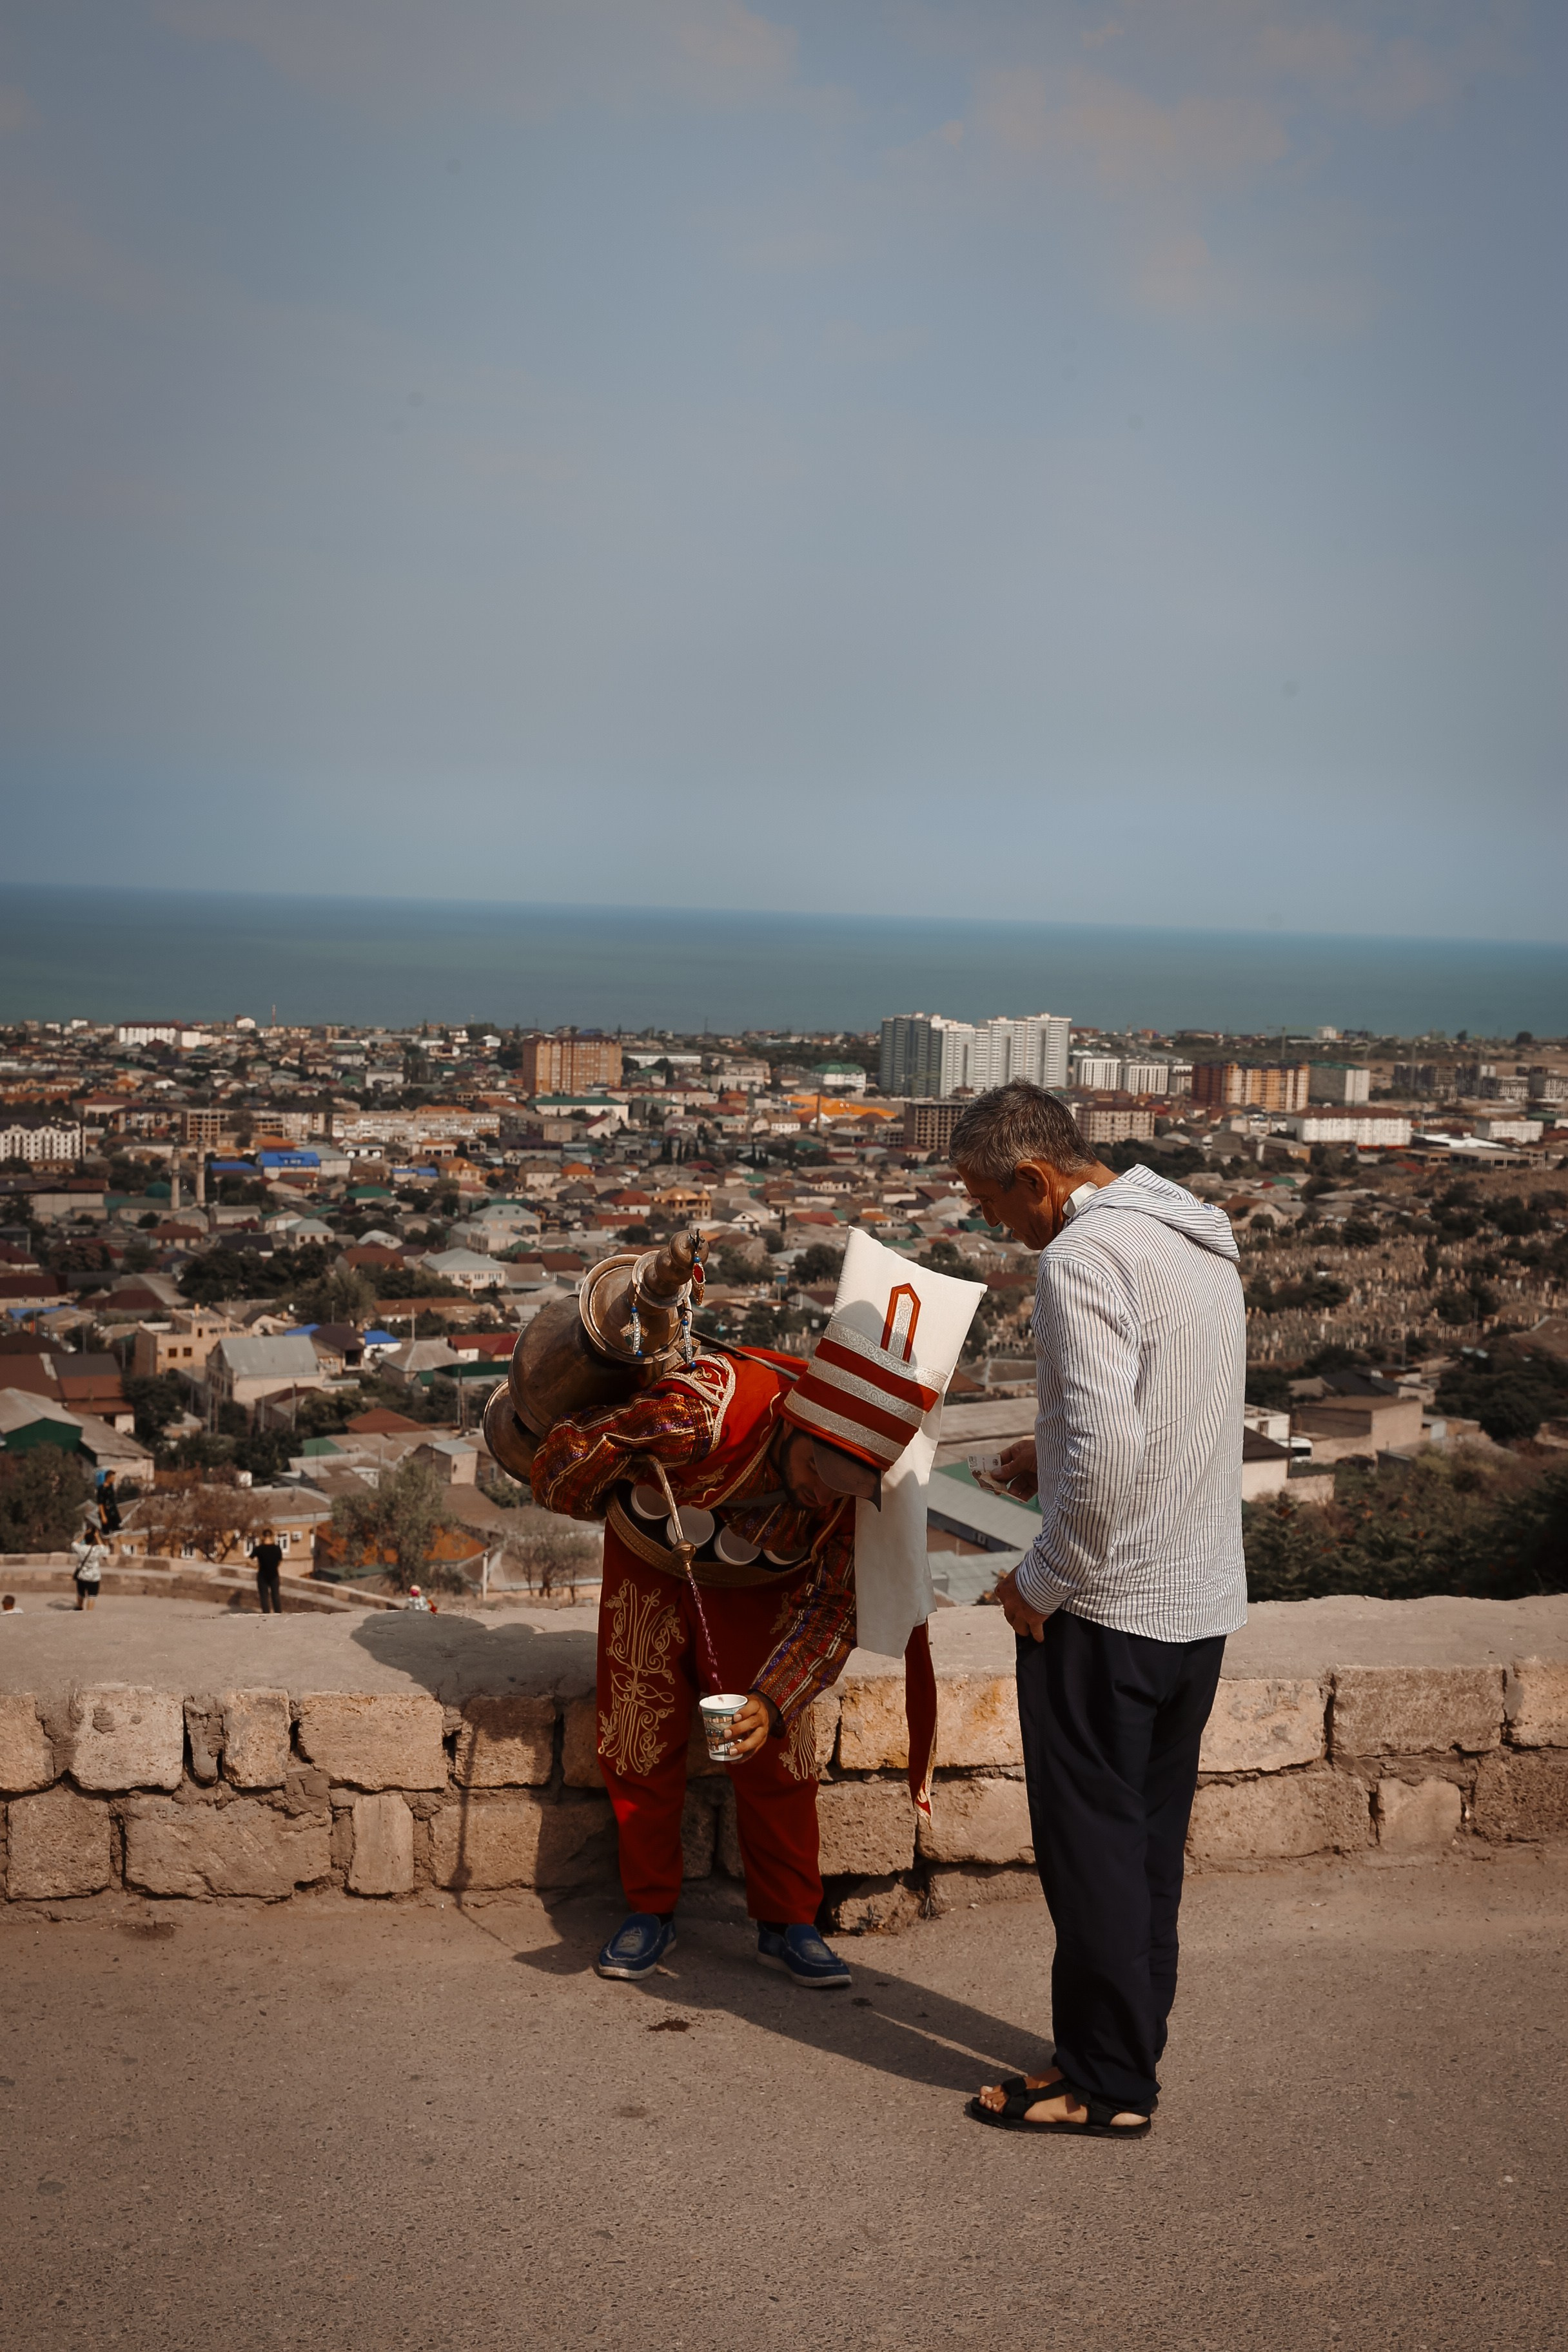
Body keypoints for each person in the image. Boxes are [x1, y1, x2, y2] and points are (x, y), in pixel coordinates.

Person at [530, 1235, 981, 1991]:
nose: (820, 1497)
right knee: (638, 1733)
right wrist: (593, 1487)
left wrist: (773, 1703)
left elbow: (836, 1607)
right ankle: (649, 1909)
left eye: (841, 1490)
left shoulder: (855, 1493)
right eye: (813, 1473)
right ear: (795, 1427)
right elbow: (569, 1457)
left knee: (779, 1752)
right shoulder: (699, 1412)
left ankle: (788, 1921)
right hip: (649, 1566)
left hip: (765, 1586)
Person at [949, 1081, 1246, 2141]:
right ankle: (1117, 2049)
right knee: (1142, 1846)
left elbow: (1112, 1460)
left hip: (1109, 1607)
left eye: (991, 1202)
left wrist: (1038, 1581)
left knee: (1089, 1850)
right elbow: (1167, 1413)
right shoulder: (1195, 1239)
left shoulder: (1077, 1257)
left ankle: (1108, 2084)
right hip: (1197, 1600)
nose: (994, 1223)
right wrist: (1051, 1450)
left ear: (1035, 1177)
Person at [72, 1521, 107, 1612]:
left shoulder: (81, 1548)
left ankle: (79, 1609)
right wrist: (97, 1537)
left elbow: (74, 1544)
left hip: (82, 1576)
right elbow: (104, 1549)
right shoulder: (97, 1550)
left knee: (81, 1594)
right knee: (92, 1596)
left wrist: (84, 1535)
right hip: (94, 1577)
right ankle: (89, 1614)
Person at [250, 1527, 284, 1615]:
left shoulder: (259, 1549)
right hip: (274, 1575)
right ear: (272, 1536)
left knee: (264, 1597)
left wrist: (256, 1566)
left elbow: (249, 1560)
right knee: (276, 1596)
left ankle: (267, 1615)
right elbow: (280, 1562)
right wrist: (274, 1566)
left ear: (263, 1536)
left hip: (263, 1575)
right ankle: (278, 1614)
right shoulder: (277, 1548)